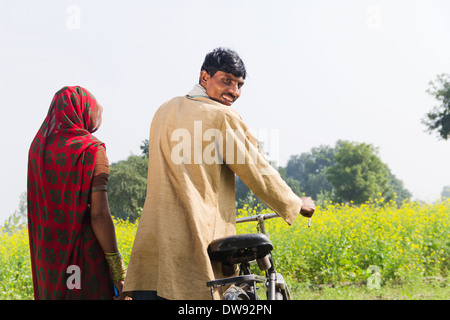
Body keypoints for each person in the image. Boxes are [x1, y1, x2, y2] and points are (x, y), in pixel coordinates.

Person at [123, 48, 315, 300]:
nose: (234, 91)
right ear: (204, 77)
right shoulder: (222, 116)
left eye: (239, 85)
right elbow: (256, 170)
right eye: (226, 81)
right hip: (195, 233)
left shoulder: (164, 110)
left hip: (153, 240)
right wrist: (294, 203)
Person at [27, 86, 129, 300]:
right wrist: (118, 271)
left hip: (47, 259)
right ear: (81, 111)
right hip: (82, 257)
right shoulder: (91, 150)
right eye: (94, 111)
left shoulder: (38, 148)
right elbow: (99, 215)